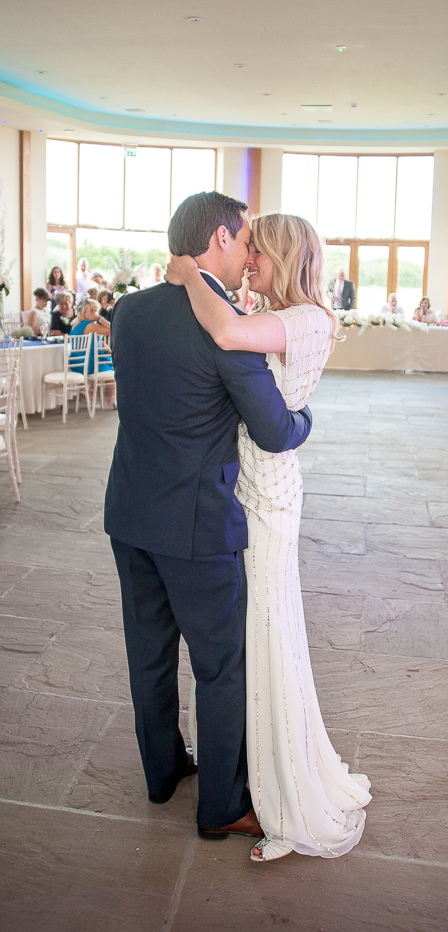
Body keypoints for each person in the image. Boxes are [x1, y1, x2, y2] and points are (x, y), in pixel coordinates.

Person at [104, 192, 315, 856]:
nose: (251, 250)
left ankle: (163, 775)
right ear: (220, 239)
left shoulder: (128, 312)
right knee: (222, 664)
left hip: (129, 511)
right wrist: (309, 418)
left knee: (149, 654)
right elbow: (275, 432)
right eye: (246, 238)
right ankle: (222, 806)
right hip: (196, 524)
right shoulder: (224, 324)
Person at [166, 211, 371, 864]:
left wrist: (189, 273)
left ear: (281, 256)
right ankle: (250, 761)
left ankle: (283, 793)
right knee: (249, 627)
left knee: (268, 627)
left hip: (271, 493)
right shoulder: (280, 313)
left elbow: (225, 331)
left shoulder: (307, 319)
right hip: (247, 484)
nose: (247, 258)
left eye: (255, 250)